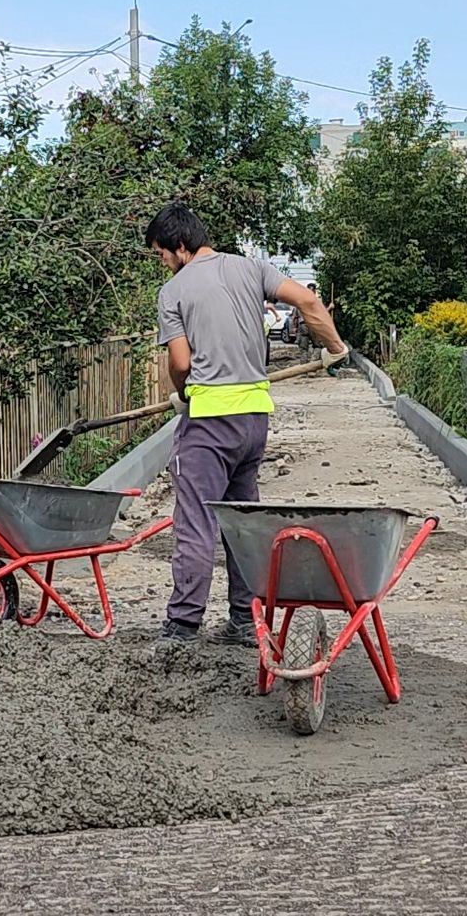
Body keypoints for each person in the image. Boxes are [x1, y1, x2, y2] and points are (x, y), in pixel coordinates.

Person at [145, 203, 349, 649]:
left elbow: (181, 362)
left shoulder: (174, 292)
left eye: (161, 253)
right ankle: (243, 619)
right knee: (240, 521)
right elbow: (309, 301)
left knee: (196, 522)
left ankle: (181, 626)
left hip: (209, 424)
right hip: (254, 420)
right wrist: (335, 347)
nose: (162, 263)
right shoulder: (251, 268)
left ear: (181, 245)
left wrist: (181, 391)